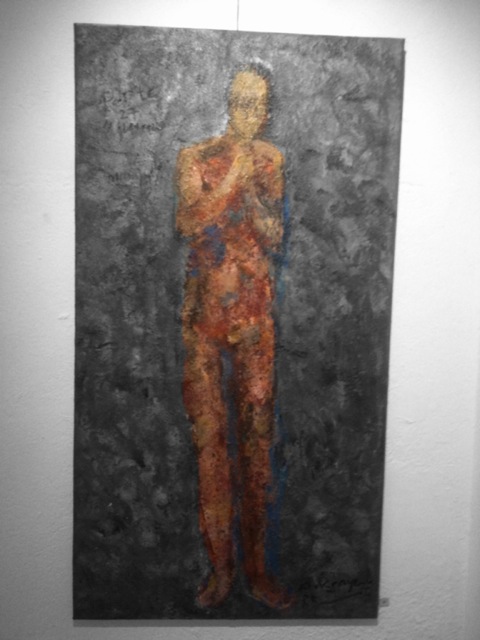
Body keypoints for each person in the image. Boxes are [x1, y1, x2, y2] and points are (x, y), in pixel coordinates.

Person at [175, 67, 290, 609]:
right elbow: (188, 222)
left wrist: (257, 194)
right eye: (241, 101)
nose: (249, 112)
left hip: (254, 315)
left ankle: (258, 571)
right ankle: (220, 571)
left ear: (266, 112)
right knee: (210, 445)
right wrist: (232, 177)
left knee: (258, 444)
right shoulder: (195, 157)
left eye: (258, 104)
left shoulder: (272, 160)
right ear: (228, 104)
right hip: (204, 317)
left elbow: (274, 236)